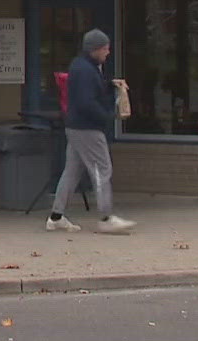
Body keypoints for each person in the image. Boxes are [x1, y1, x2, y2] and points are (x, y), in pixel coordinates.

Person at [47, 29, 136, 234]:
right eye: (105, 48)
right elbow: (87, 101)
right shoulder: (86, 70)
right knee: (102, 170)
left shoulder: (84, 66)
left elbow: (88, 92)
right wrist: (107, 116)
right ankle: (106, 217)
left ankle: (56, 217)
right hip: (88, 128)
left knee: (72, 171)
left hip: (76, 127)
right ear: (94, 49)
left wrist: (110, 84)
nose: (108, 52)